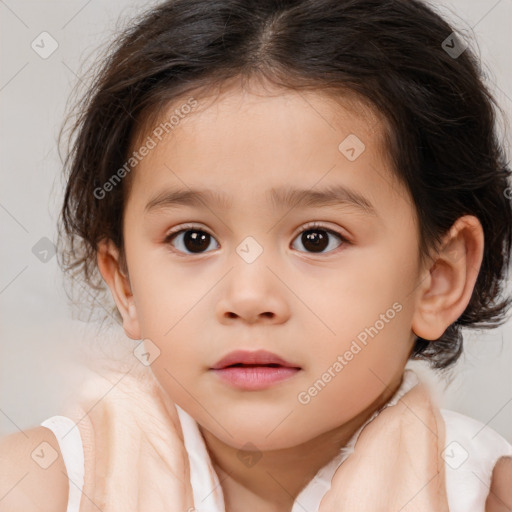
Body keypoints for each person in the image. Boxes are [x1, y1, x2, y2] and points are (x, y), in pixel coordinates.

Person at [1, 0, 512, 510]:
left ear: (437, 278)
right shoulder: (31, 486)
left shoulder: (488, 494)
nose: (248, 298)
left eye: (317, 239)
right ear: (126, 283)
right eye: (193, 239)